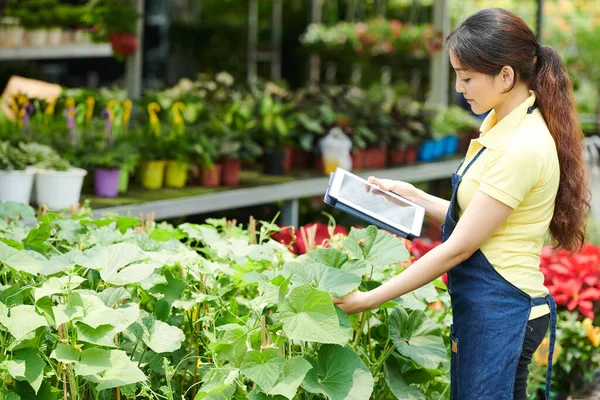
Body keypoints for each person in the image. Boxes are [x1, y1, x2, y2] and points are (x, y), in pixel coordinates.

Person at [333, 8, 589, 400]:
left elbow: (461, 246)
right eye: (457, 74)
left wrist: (368, 299)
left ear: (506, 76)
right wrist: (413, 196)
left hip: (504, 313)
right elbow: (482, 219)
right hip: (490, 312)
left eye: (467, 77)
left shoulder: (522, 147)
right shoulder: (505, 124)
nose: (458, 87)